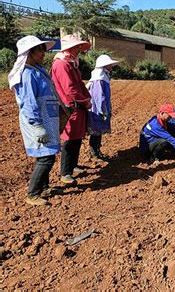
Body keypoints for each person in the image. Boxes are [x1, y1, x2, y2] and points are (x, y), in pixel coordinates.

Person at [8, 36, 60, 205]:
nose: (43, 54)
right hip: (38, 121)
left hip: (47, 119)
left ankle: (44, 187)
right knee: (46, 158)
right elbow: (28, 102)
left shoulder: (37, 69)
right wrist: (37, 126)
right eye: (40, 50)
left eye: (44, 50)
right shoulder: (27, 74)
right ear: (29, 53)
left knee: (46, 154)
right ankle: (33, 193)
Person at [51, 35, 91, 185]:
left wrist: (86, 98)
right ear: (69, 48)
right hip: (69, 107)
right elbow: (70, 89)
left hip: (76, 106)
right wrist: (85, 101)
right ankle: (65, 172)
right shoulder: (62, 64)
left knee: (76, 138)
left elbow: (79, 84)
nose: (79, 49)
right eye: (76, 47)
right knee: (69, 140)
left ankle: (73, 166)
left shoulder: (70, 63)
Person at [87, 54, 120, 161]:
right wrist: (104, 111)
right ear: (104, 65)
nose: (111, 66)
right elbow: (98, 96)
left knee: (98, 131)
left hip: (99, 108)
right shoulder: (99, 78)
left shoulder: (102, 76)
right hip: (97, 109)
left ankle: (97, 151)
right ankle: (94, 153)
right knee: (96, 131)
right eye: (109, 64)